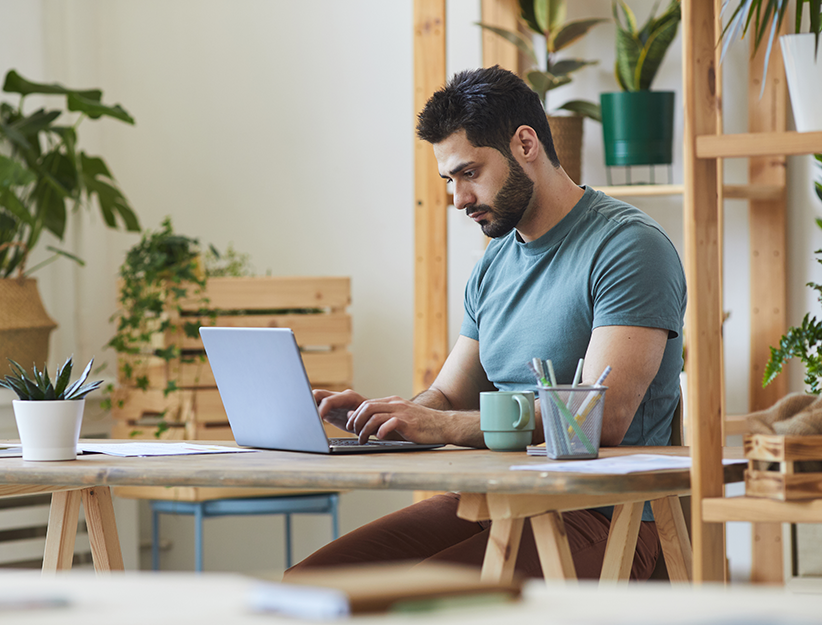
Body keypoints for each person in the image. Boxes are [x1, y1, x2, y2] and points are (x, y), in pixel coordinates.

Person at [285, 66, 686, 580]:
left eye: (470, 173)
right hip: (499, 502)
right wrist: (388, 419)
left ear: (525, 144)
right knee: (311, 584)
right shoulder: (494, 265)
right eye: (450, 180)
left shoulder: (628, 246)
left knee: (417, 607)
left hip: (605, 516)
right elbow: (449, 397)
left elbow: (597, 419)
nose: (458, 198)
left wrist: (441, 425)